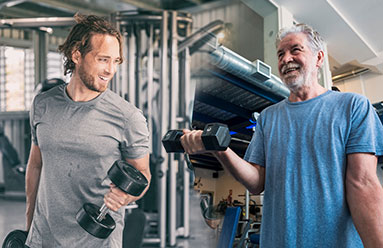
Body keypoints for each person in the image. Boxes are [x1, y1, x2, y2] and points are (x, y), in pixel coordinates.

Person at [181, 23, 383, 247]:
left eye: (295, 50)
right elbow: (256, 182)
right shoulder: (268, 117)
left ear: (319, 58)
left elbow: (363, 183)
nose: (286, 59)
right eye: (280, 54)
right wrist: (221, 151)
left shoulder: (353, 106)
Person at [25, 14, 150, 247]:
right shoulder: (43, 104)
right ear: (76, 54)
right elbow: (36, 164)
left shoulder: (128, 117)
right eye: (103, 59)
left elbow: (142, 175)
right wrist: (29, 222)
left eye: (116, 61)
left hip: (96, 241)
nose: (111, 70)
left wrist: (126, 196)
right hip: (43, 238)